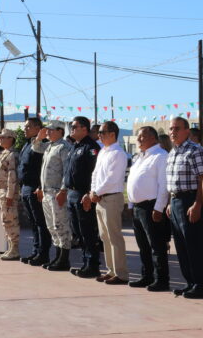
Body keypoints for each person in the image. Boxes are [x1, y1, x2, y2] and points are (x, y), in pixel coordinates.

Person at [166, 116, 203, 298]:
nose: (172, 132)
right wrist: (170, 202)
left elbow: (202, 179)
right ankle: (190, 282)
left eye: (177, 128)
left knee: (194, 245)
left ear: (187, 131)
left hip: (190, 200)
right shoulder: (173, 152)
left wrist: (198, 204)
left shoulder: (195, 150)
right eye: (171, 129)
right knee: (181, 246)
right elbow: (172, 181)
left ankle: (201, 285)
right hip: (176, 201)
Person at [126, 126, 170, 291]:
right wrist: (130, 204)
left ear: (153, 138)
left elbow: (163, 185)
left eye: (142, 137)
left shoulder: (160, 156)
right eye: (138, 136)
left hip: (151, 206)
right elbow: (132, 181)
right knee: (143, 245)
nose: (139, 139)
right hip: (138, 207)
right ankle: (147, 276)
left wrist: (158, 208)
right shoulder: (139, 157)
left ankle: (162, 279)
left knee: (156, 246)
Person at [85, 121, 128, 284]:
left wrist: (96, 192)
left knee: (114, 236)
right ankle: (111, 270)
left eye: (102, 132)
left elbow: (112, 178)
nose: (99, 135)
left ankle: (121, 273)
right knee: (104, 237)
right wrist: (92, 191)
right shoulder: (103, 151)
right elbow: (95, 174)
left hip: (111, 197)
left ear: (112, 134)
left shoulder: (118, 153)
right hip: (100, 198)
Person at [62, 116, 102, 278]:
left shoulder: (91, 147)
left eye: (74, 126)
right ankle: (86, 262)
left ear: (84, 129)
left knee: (87, 231)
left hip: (83, 194)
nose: (71, 129)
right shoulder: (74, 146)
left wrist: (88, 193)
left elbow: (94, 172)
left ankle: (92, 265)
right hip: (72, 193)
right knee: (78, 231)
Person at [33, 120, 73, 271]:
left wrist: (63, 191)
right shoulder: (50, 146)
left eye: (50, 130)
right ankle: (57, 256)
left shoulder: (64, 147)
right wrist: (39, 137)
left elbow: (66, 171)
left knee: (61, 225)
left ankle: (64, 259)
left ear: (60, 131)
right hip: (47, 192)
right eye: (47, 130)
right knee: (52, 226)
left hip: (57, 192)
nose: (47, 132)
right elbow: (36, 148)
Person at [18, 117, 52, 266]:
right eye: (25, 127)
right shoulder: (27, 144)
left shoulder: (43, 145)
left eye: (28, 127)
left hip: (35, 187)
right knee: (33, 222)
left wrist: (40, 186)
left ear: (38, 128)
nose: (25, 129)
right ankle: (35, 251)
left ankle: (43, 254)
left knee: (40, 222)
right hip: (25, 187)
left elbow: (42, 168)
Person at [0, 128, 20, 260]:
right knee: (5, 221)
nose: (1, 139)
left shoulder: (12, 155)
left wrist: (9, 196)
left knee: (11, 221)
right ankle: (10, 248)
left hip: (8, 192)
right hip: (1, 191)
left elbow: (12, 176)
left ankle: (14, 249)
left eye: (3, 137)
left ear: (11, 139)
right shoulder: (4, 153)